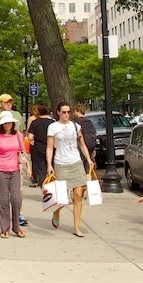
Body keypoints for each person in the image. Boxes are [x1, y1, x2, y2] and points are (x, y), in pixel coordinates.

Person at [46, 102, 96, 238]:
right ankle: (56, 211)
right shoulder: (53, 127)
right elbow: (50, 147)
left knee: (78, 194)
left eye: (68, 112)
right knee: (62, 198)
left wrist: (88, 158)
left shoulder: (75, 125)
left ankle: (76, 227)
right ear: (58, 112)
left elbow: (82, 144)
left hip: (76, 161)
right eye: (63, 112)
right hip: (61, 163)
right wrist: (49, 164)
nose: (66, 114)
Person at [0, 94, 28, 227]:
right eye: (5, 102)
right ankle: (3, 218)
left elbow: (21, 134)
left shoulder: (17, 115)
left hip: (15, 160)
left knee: (17, 189)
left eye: (10, 101)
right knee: (2, 193)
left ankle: (18, 212)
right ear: (0, 103)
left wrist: (24, 158)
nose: (9, 104)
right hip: (0, 158)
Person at [0, 111, 26, 239]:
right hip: (1, 170)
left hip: (15, 170)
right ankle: (5, 228)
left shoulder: (17, 135)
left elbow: (23, 150)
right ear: (2, 124)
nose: (8, 125)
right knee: (3, 200)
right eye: (5, 123)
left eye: (10, 122)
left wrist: (29, 166)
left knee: (16, 199)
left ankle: (17, 227)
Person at [26, 104, 53, 187]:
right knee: (51, 167)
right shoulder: (52, 122)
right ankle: (52, 187)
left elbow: (30, 137)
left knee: (41, 170)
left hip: (38, 148)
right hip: (51, 148)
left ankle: (44, 189)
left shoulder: (35, 122)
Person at [73, 104, 98, 173]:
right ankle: (89, 180)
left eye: (74, 111)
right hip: (90, 147)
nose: (74, 113)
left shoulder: (75, 122)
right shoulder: (89, 122)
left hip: (80, 148)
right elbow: (93, 135)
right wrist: (93, 148)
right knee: (90, 168)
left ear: (78, 111)